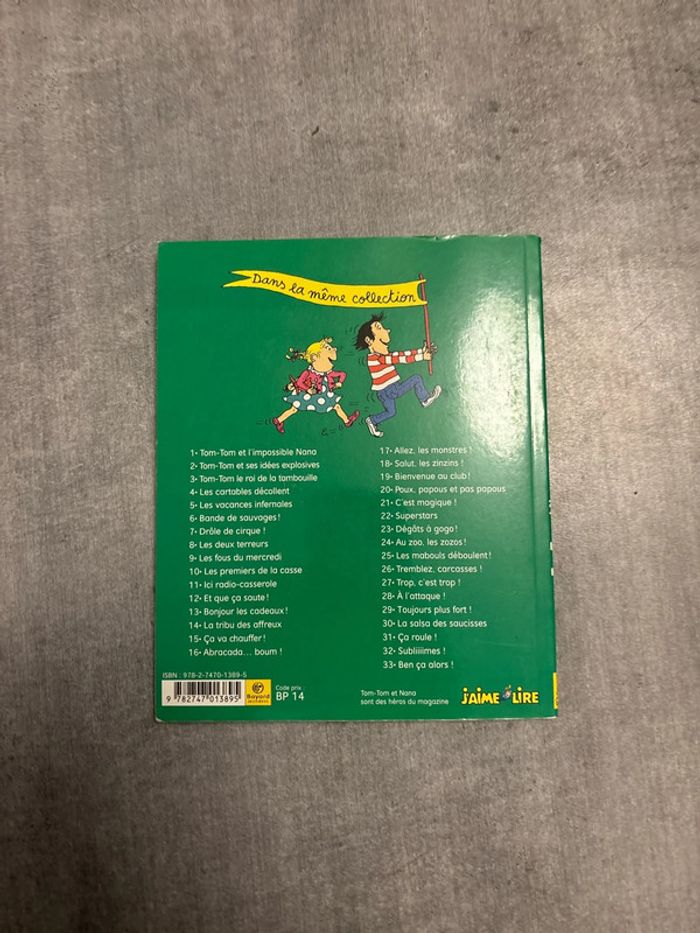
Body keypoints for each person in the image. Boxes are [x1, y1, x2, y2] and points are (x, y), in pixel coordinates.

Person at [354, 313, 441, 437]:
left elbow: (400, 354)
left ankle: (372, 420)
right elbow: (399, 359)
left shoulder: (381, 356)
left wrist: (421, 351)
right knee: (416, 379)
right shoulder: (377, 358)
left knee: (391, 412)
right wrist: (422, 356)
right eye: (380, 328)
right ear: (369, 340)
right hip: (390, 390)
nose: (387, 330)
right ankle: (425, 399)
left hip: (382, 393)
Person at [273, 337, 359, 434]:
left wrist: (340, 382)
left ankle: (347, 421)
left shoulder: (327, 372)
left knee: (336, 406)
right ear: (315, 357)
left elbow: (342, 374)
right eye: (327, 349)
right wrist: (308, 389)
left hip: (322, 395)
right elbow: (299, 382)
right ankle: (278, 420)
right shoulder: (308, 372)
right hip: (307, 395)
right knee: (293, 409)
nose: (334, 349)